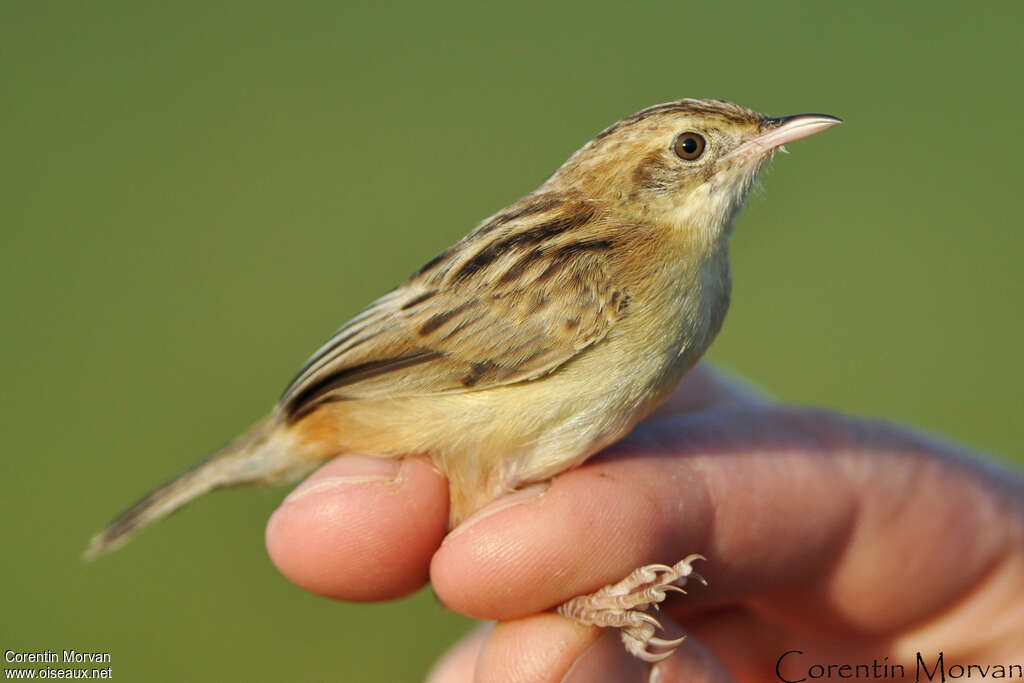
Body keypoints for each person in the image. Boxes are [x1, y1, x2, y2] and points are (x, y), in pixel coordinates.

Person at [264, 363, 1024, 682]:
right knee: (520, 547)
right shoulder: (612, 276)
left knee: (542, 552)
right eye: (693, 150)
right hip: (398, 399)